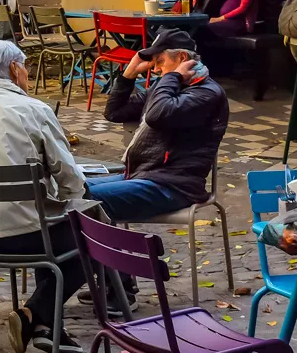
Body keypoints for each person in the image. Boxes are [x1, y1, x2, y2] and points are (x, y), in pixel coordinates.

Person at [0, 40, 87, 353]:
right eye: (24, 66)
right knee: (87, 241)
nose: (26, 72)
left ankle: (45, 330)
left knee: (50, 224)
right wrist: (74, 195)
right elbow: (67, 174)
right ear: (14, 68)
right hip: (25, 233)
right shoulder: (33, 108)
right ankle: (31, 314)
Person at [86, 28, 228, 312]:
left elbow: (157, 115)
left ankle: (119, 288)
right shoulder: (170, 88)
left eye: (161, 61)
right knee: (75, 192)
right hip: (145, 176)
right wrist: (128, 75)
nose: (157, 68)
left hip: (174, 186)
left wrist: (171, 77)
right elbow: (115, 112)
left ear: (183, 58)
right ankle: (116, 283)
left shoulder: (207, 93)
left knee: (88, 201)